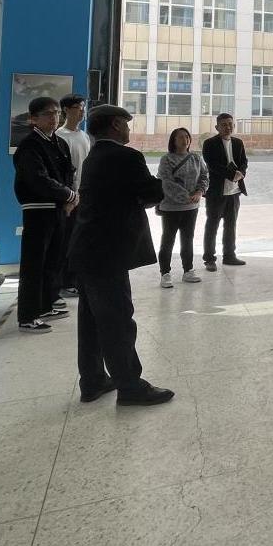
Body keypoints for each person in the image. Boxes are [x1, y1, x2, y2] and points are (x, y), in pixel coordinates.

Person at [66, 104, 173, 406]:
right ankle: (130, 386)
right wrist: (158, 185)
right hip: (107, 253)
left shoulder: (95, 156)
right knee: (117, 320)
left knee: (91, 321)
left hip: (87, 250)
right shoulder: (126, 156)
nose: (128, 129)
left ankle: (93, 380)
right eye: (126, 124)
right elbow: (153, 192)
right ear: (115, 124)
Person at [12, 96, 76, 332]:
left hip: (59, 208)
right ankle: (28, 316)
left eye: (57, 113)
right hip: (38, 209)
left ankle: (46, 304)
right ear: (33, 119)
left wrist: (70, 197)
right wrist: (68, 195)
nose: (54, 118)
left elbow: (68, 173)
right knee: (35, 264)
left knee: (53, 261)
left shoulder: (59, 143)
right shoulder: (30, 145)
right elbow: (37, 178)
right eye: (48, 114)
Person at [156, 127, 209, 287]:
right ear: (173, 140)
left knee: (187, 239)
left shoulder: (196, 158)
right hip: (171, 207)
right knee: (168, 240)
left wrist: (199, 192)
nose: (185, 140)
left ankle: (188, 270)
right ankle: (165, 273)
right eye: (180, 137)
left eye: (187, 136)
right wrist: (187, 197)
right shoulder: (167, 159)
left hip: (191, 208)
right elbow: (166, 182)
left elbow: (204, 176)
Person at [54, 93, 91, 299]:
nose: (82, 111)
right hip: (69, 199)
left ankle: (76, 279)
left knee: (80, 241)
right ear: (66, 110)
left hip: (85, 197)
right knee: (66, 241)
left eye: (83, 107)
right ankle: (64, 282)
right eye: (78, 107)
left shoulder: (84, 136)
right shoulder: (60, 136)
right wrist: (69, 197)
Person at [201, 113, 248, 269]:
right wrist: (232, 175)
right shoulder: (209, 144)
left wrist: (241, 173)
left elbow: (244, 161)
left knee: (231, 225)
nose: (228, 127)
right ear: (217, 127)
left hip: (234, 192)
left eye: (230, 124)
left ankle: (229, 256)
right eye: (224, 124)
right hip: (216, 192)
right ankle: (209, 259)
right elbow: (212, 164)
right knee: (212, 226)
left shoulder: (238, 143)